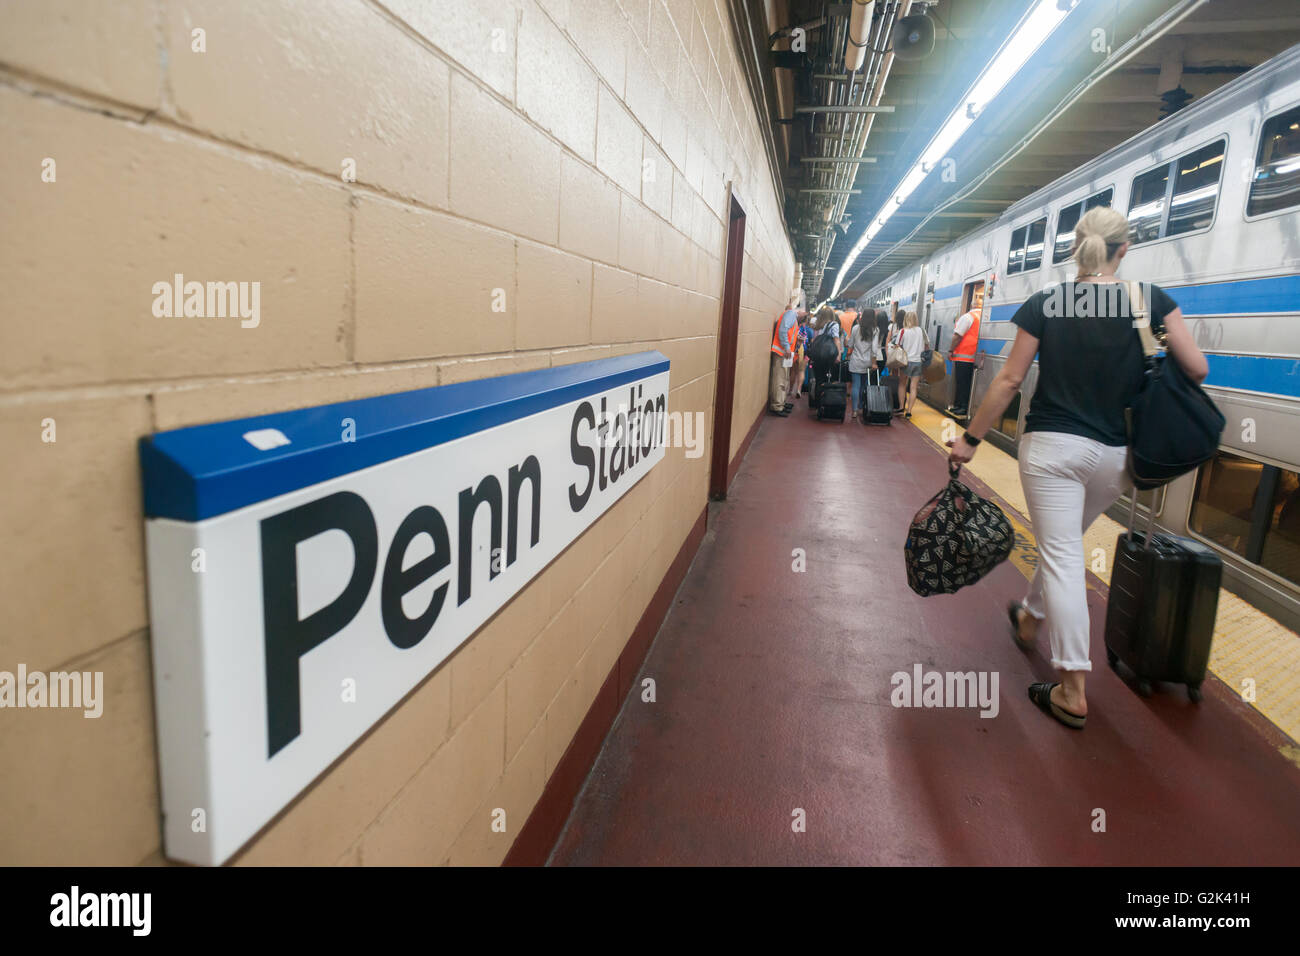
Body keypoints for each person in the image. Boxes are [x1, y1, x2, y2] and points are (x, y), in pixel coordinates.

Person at [946, 206, 1208, 731]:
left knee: (1063, 555)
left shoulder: (1047, 301)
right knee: (1063, 547)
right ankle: (1030, 617)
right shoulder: (1148, 300)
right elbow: (1197, 368)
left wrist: (971, 439)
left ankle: (1072, 690)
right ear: (1123, 250)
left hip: (1051, 451)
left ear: (1076, 248)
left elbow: (1008, 382)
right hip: (1116, 458)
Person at [948, 298, 981, 418]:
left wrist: (951, 350)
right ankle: (961, 406)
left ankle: (961, 407)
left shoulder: (968, 317)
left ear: (971, 305)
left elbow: (957, 336)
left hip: (963, 357)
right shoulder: (982, 316)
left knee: (962, 383)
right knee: (967, 383)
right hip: (975, 356)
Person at [768, 294, 800, 416]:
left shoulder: (791, 316)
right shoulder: (791, 314)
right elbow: (783, 330)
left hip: (785, 353)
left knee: (784, 379)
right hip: (782, 352)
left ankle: (781, 403)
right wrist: (787, 347)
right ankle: (777, 406)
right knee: (779, 379)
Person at [892, 311, 925, 418]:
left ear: (905, 319)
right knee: (914, 387)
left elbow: (898, 346)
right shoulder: (921, 330)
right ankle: (909, 411)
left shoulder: (903, 331)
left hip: (906, 362)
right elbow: (926, 344)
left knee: (902, 384)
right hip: (918, 362)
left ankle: (901, 407)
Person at [847, 307, 877, 421]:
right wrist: (874, 363)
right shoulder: (875, 330)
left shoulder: (855, 328)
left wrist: (848, 352)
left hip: (855, 361)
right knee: (864, 385)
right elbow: (874, 349)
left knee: (855, 385)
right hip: (868, 362)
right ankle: (861, 406)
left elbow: (850, 344)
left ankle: (854, 410)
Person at [790, 310, 813, 399]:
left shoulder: (795, 328)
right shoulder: (810, 331)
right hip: (805, 353)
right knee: (801, 371)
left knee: (793, 372)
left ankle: (791, 390)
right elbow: (811, 343)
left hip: (795, 352)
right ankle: (799, 389)